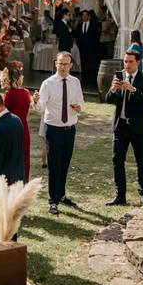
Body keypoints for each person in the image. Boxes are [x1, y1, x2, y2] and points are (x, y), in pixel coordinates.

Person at [35, 52, 83, 215]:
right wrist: (35, 101)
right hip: (53, 129)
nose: (62, 67)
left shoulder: (75, 82)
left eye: (66, 64)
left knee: (65, 163)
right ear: (56, 64)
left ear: (71, 65)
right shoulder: (48, 83)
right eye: (60, 64)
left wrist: (78, 108)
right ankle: (53, 201)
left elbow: (81, 103)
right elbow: (40, 108)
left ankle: (62, 195)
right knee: (54, 165)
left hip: (70, 129)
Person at [105, 51, 143, 205]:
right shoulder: (119, 76)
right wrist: (113, 89)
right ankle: (120, 196)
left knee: (141, 160)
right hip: (120, 126)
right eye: (125, 61)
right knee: (117, 160)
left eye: (130, 62)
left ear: (138, 62)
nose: (127, 65)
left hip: (139, 127)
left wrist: (133, 90)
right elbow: (108, 100)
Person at [1, 61, 33, 182]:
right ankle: (24, 182)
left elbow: (3, 114)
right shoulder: (26, 93)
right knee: (24, 158)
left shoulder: (9, 94)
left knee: (11, 157)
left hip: (11, 129)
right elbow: (27, 114)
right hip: (23, 128)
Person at [73, 10, 101, 88]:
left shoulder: (94, 25)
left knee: (92, 65)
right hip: (82, 49)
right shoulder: (80, 25)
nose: (84, 16)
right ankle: (84, 80)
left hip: (91, 49)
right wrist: (79, 45)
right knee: (83, 64)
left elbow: (97, 36)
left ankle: (92, 81)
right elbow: (77, 36)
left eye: (86, 15)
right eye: (83, 15)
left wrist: (94, 47)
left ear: (89, 16)